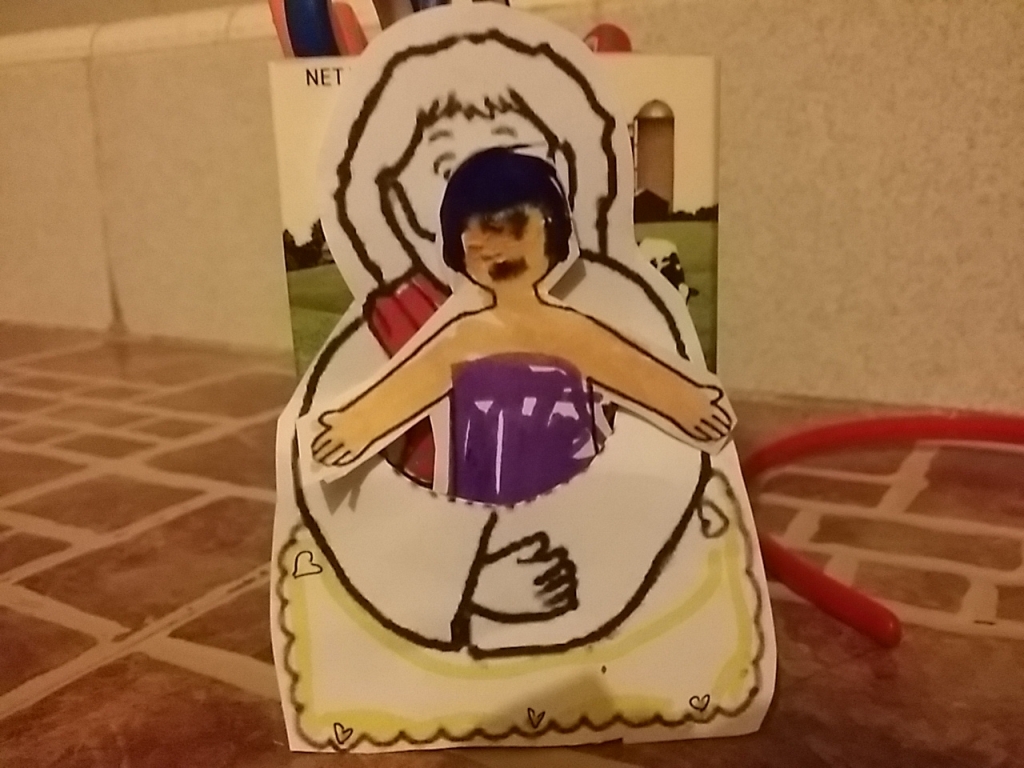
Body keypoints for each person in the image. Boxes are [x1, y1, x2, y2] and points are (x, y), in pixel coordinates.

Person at [311, 148, 733, 506]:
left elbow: (632, 370)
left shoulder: (572, 332)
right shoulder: (463, 338)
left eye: (514, 228)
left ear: (553, 230)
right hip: (480, 509)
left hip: (574, 506)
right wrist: (355, 424)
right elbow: (408, 386)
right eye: (476, 240)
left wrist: (686, 402)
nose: (495, 250)